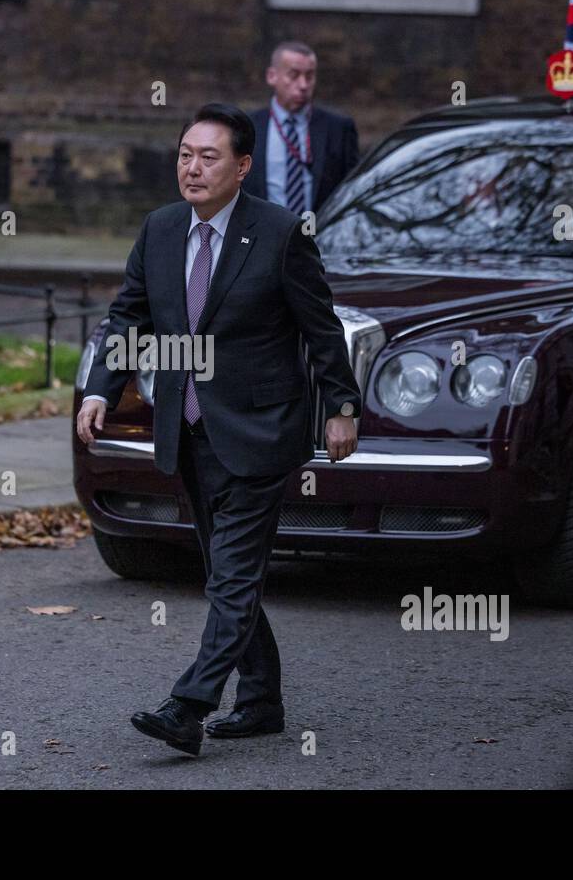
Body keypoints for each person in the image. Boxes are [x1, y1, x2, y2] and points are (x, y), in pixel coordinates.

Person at [76, 102, 361, 756]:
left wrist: (341, 408)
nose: (193, 167)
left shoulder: (281, 232)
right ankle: (260, 701)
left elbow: (322, 329)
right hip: (188, 431)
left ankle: (189, 704)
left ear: (242, 166)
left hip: (260, 430)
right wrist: (100, 388)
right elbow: (128, 316)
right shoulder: (161, 229)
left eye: (208, 156)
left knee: (232, 576)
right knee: (228, 575)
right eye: (184, 154)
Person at [242, 40, 360, 217]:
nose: (303, 85)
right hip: (262, 232)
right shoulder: (248, 126)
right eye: (294, 75)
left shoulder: (338, 128)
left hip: (318, 233)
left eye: (310, 76)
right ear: (272, 76)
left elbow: (351, 188)